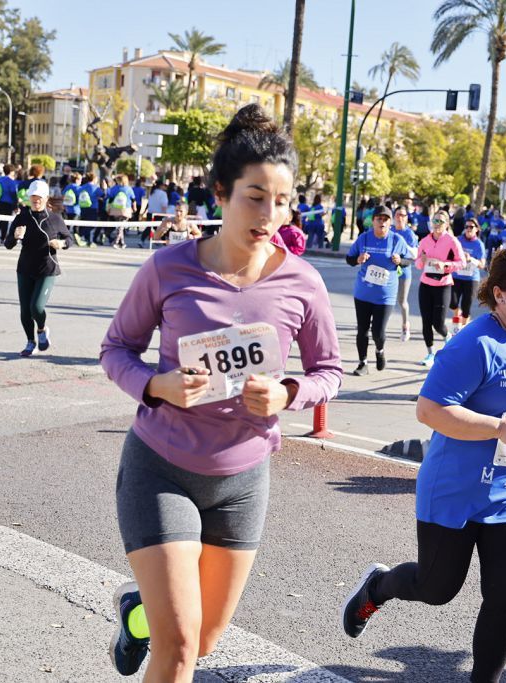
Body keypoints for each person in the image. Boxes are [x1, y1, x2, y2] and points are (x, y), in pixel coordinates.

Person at [99, 104, 342, 680]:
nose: (270, 214)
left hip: (242, 479)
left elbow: (330, 370)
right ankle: (156, 624)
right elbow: (115, 350)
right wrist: (156, 386)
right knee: (179, 647)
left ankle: (138, 615)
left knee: (204, 640)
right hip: (161, 468)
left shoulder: (302, 282)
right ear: (220, 194)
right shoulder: (168, 268)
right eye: (255, 196)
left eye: (282, 200)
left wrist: (288, 393)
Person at [340, 245, 506, 683]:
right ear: (499, 295)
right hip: (456, 493)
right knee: (436, 589)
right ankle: (377, 587)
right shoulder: (473, 345)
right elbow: (430, 411)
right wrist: (498, 427)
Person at [3, 180, 72, 357]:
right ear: (29, 198)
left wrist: (61, 243)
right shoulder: (22, 217)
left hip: (47, 269)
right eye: (33, 197)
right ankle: (30, 341)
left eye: (39, 197)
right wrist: (16, 237)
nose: (36, 200)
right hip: (25, 268)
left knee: (37, 307)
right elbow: (8, 244)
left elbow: (69, 239)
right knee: (25, 310)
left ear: (46, 198)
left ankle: (41, 330)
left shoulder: (55, 218)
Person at [346, 204, 411, 375]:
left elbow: (409, 260)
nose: (382, 222)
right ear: (373, 221)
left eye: (386, 219)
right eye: (379, 219)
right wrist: (358, 259)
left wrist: (400, 261)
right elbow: (349, 258)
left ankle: (379, 351)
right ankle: (363, 363)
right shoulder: (364, 238)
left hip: (385, 295)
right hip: (363, 293)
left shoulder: (396, 240)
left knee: (378, 332)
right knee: (362, 329)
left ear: (390, 223)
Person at [415, 209, 464, 367]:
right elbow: (417, 264)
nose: (437, 224)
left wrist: (445, 265)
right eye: (435, 221)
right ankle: (430, 353)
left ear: (446, 224)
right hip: (426, 284)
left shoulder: (452, 241)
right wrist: (422, 261)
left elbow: (461, 262)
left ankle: (447, 335)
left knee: (438, 323)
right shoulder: (424, 241)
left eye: (440, 221)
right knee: (426, 322)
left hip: (443, 285)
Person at [451, 218, 486, 333]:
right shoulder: (458, 240)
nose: (468, 229)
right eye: (466, 227)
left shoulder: (479, 244)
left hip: (471, 279)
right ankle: (457, 319)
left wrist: (471, 259)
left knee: (466, 306)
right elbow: (450, 254)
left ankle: (463, 329)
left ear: (476, 229)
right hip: (456, 276)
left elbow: (482, 265)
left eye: (471, 227)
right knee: (453, 303)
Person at [391, 205, 420, 341]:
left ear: (407, 218)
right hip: (388, 271)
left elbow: (413, 256)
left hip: (403, 271)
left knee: (402, 301)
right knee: (384, 299)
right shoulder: (389, 230)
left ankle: (405, 326)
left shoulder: (409, 234)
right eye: (398, 215)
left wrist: (400, 257)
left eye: (403, 215)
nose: (400, 218)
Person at [106, 173, 135, 248]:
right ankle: (118, 242)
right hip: (126, 209)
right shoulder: (129, 189)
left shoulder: (114, 188)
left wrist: (108, 208)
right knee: (121, 226)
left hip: (115, 209)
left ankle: (120, 242)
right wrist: (134, 208)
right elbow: (133, 199)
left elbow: (110, 199)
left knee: (120, 226)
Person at [78, 173, 103, 246]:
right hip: (93, 207)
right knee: (92, 224)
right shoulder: (96, 188)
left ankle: (88, 240)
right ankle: (81, 235)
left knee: (84, 222)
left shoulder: (82, 187)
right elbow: (103, 195)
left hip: (83, 207)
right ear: (94, 179)